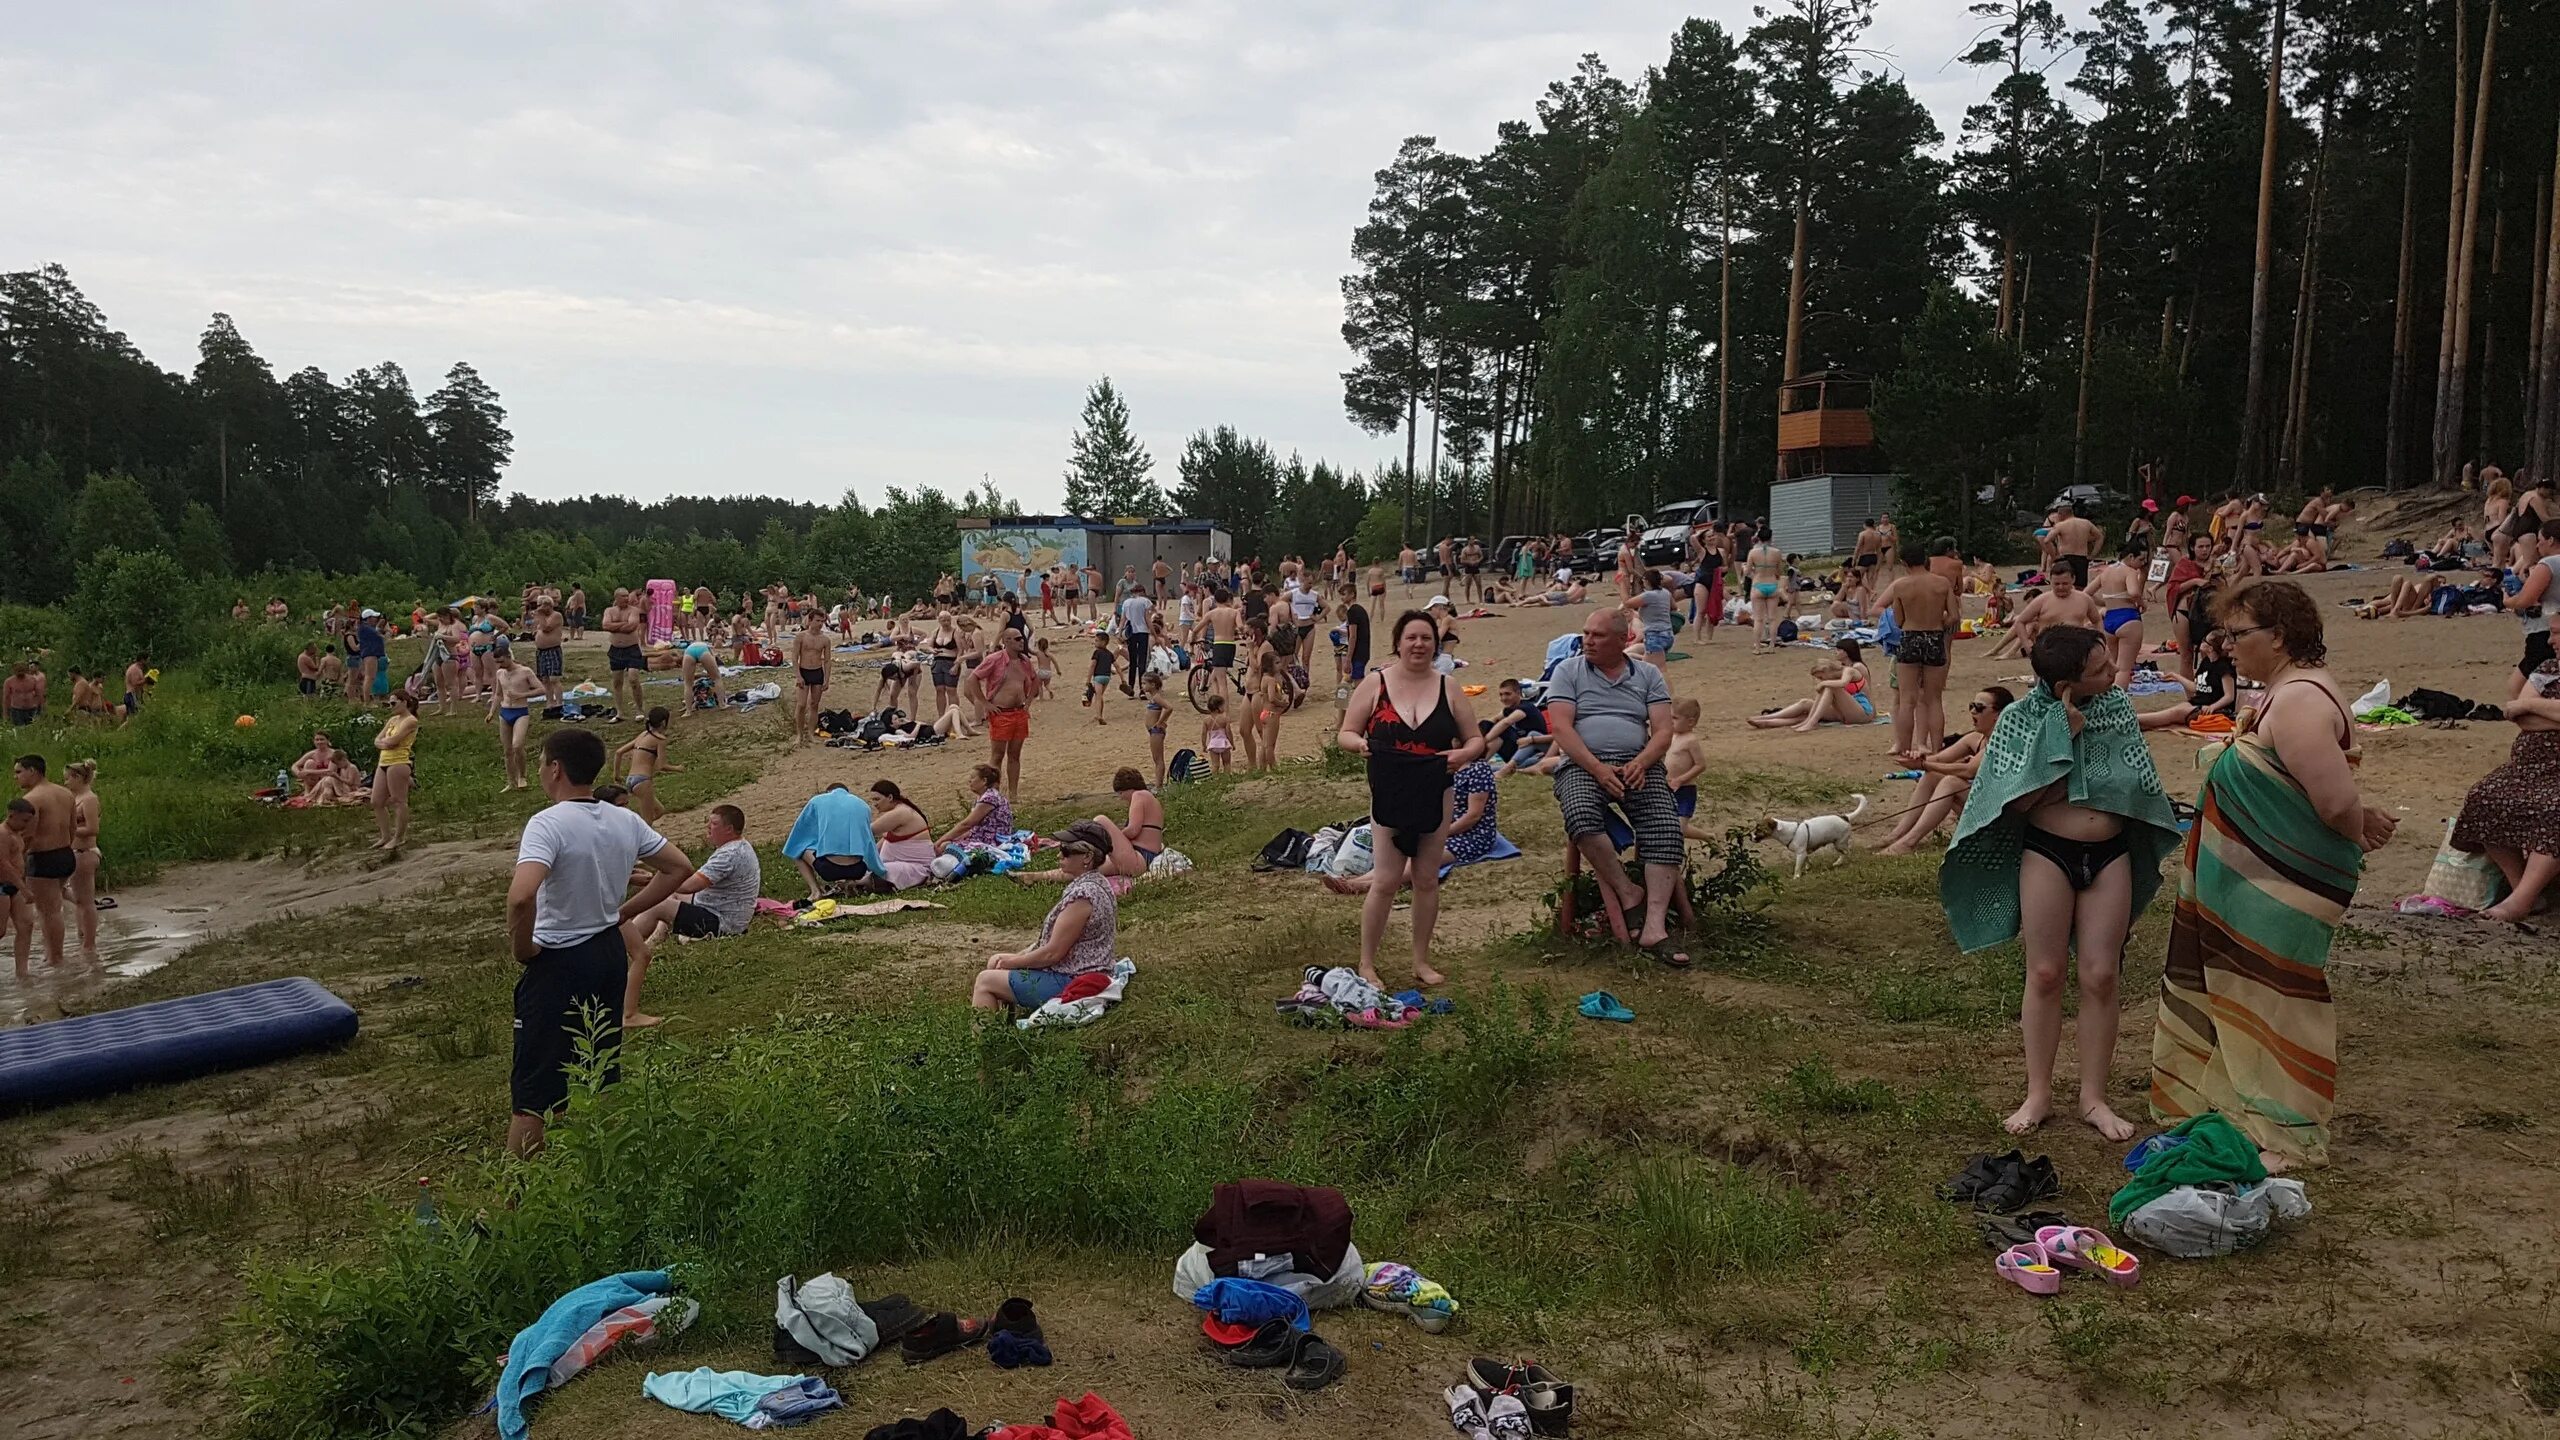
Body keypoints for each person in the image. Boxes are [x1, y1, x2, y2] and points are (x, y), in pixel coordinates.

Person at [2153, 579, 2394, 1171]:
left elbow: (2335, 802)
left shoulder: (2300, 701)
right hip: (2257, 875)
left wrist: (2361, 825)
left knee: (2278, 993)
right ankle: (2246, 1111)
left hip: (2283, 880)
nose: (2227, 646)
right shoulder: (2284, 693)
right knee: (2248, 990)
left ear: (2279, 636)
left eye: (2238, 635)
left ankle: (2285, 1129)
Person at [1941, 626, 2180, 1142]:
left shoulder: (2115, 709)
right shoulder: (2018, 720)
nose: (2111, 670)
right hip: (2047, 853)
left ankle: (2094, 1097)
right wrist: (2063, 740)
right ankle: (2039, 1093)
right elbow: (2015, 802)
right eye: (2098, 666)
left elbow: (2133, 785)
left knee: (2101, 975)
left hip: (2110, 854)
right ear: (2065, 682)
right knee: (2045, 973)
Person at [505, 728, 694, 1155]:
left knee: (535, 1086)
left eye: (540, 762)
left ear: (555, 769)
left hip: (559, 960)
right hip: (606, 954)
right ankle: (602, 1170)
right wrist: (623, 911)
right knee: (599, 1066)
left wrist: (522, 948)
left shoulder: (547, 823)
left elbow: (521, 896)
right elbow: (678, 868)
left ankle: (514, 1200)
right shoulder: (623, 818)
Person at [1336, 611, 1483, 988]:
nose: (1419, 645)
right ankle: (1367, 963)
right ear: (1398, 643)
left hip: (1436, 789)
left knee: (1426, 878)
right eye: (1412, 638)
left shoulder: (1448, 687)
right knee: (1385, 879)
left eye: (1426, 638)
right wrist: (1362, 746)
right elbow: (1346, 733)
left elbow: (1475, 739)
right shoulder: (1375, 684)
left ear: (1436, 644)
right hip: (1389, 791)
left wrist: (1463, 755)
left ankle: (1421, 960)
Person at [1544, 609, 1687, 965]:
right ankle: (1629, 893)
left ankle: (1654, 927)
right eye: (1586, 632)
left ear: (1623, 641)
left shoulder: (1648, 674)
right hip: (1583, 762)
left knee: (1665, 826)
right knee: (1580, 815)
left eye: (1598, 635)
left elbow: (1664, 731)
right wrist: (1595, 767)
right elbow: (1561, 729)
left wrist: (1641, 762)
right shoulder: (1568, 670)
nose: (1587, 640)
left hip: (1638, 761)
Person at [621, 803, 762, 1026]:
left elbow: (687, 886)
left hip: (722, 922)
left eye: (714, 824)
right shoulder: (739, 847)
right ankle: (653, 935)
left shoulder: (729, 855)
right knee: (667, 899)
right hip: (721, 908)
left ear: (730, 829)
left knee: (658, 904)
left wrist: (652, 880)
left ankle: (623, 945)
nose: (708, 828)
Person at [2452, 662, 2560, 923]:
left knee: (2555, 809)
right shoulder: (2548, 669)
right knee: (2486, 797)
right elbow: (2519, 717)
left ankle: (2521, 900)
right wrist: (2536, 711)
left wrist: (2531, 706)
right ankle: (2522, 888)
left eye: (2556, 633)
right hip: (2529, 769)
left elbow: (2523, 708)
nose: (2549, 640)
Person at [970, 834, 1119, 1010]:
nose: (1059, 855)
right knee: (996, 961)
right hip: (1079, 968)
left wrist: (1014, 962)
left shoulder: (1083, 897)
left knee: (985, 981)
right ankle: (1004, 1025)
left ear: (1087, 857)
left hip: (1072, 979)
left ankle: (988, 1036)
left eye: (1066, 851)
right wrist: (1017, 958)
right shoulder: (1096, 882)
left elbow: (1052, 954)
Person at [1876, 687, 2015, 855]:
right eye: (1971, 705)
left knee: (1950, 782)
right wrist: (1915, 759)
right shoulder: (1975, 738)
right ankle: (1898, 834)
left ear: (1998, 715)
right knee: (1933, 776)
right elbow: (1938, 760)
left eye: (1979, 708)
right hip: (1983, 806)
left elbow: (1968, 771)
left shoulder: (2004, 740)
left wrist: (1924, 765)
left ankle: (1909, 841)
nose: (1972, 711)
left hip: (2001, 815)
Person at [1877, 543, 1958, 761]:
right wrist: (1938, 622)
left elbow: (1899, 619)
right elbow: (1953, 616)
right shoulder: (1942, 583)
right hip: (1934, 636)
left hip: (1910, 637)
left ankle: (1904, 749)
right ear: (1925, 559)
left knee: (1907, 699)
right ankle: (1936, 750)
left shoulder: (1901, 586)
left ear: (1904, 562)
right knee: (1934, 699)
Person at [1747, 639, 1873, 732]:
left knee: (1830, 687)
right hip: (1847, 709)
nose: (1836, 652)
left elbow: (1843, 684)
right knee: (1805, 704)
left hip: (1863, 711)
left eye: (1838, 650)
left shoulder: (1853, 669)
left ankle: (1811, 722)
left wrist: (1824, 683)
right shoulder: (1841, 670)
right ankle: (1768, 720)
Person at [970, 627, 1038, 796]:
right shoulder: (995, 659)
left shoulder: (1024, 661)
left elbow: (1035, 679)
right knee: (997, 755)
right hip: (1001, 713)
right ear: (1006, 641)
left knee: (1015, 755)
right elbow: (973, 678)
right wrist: (985, 703)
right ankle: (994, 794)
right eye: (1017, 638)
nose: (1021, 641)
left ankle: (1013, 794)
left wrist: (1028, 701)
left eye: (1021, 638)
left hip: (1018, 712)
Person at [2502, 521, 2560, 699]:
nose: (2537, 545)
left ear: (2550, 540)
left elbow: (2525, 600)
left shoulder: (2549, 563)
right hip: (2551, 626)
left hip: (2545, 629)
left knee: (2517, 689)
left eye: (2540, 539)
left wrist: (2507, 600)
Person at [2091, 539, 2153, 691]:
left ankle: (2107, 695)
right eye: (2141, 559)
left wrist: (2107, 602)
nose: (2142, 564)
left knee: (2112, 665)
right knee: (2124, 668)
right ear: (2131, 557)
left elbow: (2087, 593)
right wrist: (2142, 603)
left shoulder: (2106, 571)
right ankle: (2119, 699)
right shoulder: (2130, 572)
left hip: (2110, 619)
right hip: (2128, 618)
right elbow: (2133, 592)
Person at [861, 780, 939, 890]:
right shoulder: (898, 811)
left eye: (877, 799)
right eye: (873, 800)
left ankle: (857, 884)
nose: (875, 804)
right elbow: (881, 844)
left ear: (890, 797)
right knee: (869, 868)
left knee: (882, 871)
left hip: (917, 869)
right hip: (901, 865)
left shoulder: (901, 812)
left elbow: (868, 830)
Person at [489, 644, 545, 791]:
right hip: (505, 711)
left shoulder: (524, 671)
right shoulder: (500, 673)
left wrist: (522, 695)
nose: (500, 665)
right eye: (497, 662)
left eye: (502, 661)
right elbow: (498, 694)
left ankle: (522, 776)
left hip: (520, 711)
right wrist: (491, 712)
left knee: (517, 745)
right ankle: (511, 781)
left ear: (509, 657)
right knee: (507, 750)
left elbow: (541, 689)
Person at [63, 760, 102, 963]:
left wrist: (69, 830)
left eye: (68, 779)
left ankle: (89, 943)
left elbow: (93, 829)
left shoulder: (89, 799)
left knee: (85, 901)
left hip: (85, 851)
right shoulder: (75, 798)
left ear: (78, 778)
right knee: (75, 897)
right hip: (73, 852)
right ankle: (82, 936)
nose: (66, 783)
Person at [612, 707, 678, 823]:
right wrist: (678, 768)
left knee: (659, 811)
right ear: (663, 722)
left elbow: (619, 752)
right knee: (648, 821)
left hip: (631, 779)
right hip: (643, 781)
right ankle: (639, 836)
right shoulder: (660, 739)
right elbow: (661, 766)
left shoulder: (643, 735)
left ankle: (637, 829)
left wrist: (616, 775)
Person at [372, 691, 419, 851]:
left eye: (393, 703)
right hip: (384, 761)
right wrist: (385, 743)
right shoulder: (393, 720)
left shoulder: (410, 721)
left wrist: (386, 742)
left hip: (399, 762)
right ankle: (385, 835)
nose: (390, 707)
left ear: (404, 702)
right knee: (376, 801)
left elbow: (394, 740)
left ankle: (399, 837)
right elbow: (377, 740)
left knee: (399, 800)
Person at [939, 764, 1016, 848]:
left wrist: (940, 841)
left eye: (973, 777)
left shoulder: (989, 798)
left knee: (944, 846)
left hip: (993, 842)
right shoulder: (985, 796)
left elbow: (967, 824)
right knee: (951, 841)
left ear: (984, 781)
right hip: (986, 837)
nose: (970, 781)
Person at [602, 589, 648, 722]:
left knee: (633, 679)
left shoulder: (634, 610)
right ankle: (620, 712)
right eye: (623, 596)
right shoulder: (609, 611)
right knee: (617, 682)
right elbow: (605, 625)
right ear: (616, 597)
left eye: (627, 596)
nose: (626, 598)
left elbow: (632, 626)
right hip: (615, 649)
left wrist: (614, 626)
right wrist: (623, 625)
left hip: (632, 649)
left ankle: (639, 710)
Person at [1, 797, 31, 977]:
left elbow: (18, 858)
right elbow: (3, 864)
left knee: (26, 925)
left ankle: (22, 971)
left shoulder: (17, 834)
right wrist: (24, 888)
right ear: (12, 815)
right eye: (24, 821)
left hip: (16, 887)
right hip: (3, 886)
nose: (26, 825)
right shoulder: (2, 834)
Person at [1626, 569, 1676, 666]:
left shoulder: (1648, 596)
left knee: (1656, 668)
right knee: (1651, 665)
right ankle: (1630, 657)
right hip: (1668, 634)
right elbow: (1674, 607)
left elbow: (1627, 603)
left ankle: (1630, 657)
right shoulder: (1665, 593)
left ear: (1647, 581)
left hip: (1655, 635)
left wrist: (1623, 585)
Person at [1745, 533, 1786, 648]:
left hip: (1758, 585)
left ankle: (1757, 646)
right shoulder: (1777, 552)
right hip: (1772, 584)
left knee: (1758, 619)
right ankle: (1772, 645)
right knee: (1772, 618)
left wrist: (1754, 571)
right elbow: (1779, 572)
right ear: (1771, 538)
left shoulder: (1753, 552)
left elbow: (1747, 571)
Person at [2047, 502, 2101, 587]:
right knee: (2081, 587)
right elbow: (2099, 537)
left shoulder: (2060, 525)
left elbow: (2047, 540)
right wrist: (2094, 554)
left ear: (2061, 514)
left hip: (2066, 557)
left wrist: (2053, 555)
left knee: (2065, 585)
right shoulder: (2086, 523)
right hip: (2082, 558)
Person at [1140, 672, 1171, 785]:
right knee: (1156, 759)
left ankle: (1159, 785)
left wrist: (1160, 722)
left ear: (1153, 684)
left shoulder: (1157, 697)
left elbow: (1169, 708)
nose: (1142, 686)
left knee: (1158, 760)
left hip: (1156, 731)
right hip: (1153, 731)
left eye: (1144, 683)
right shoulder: (1153, 697)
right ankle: (1158, 783)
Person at [1202, 696, 1235, 773]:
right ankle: (1227, 777)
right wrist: (1232, 743)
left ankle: (1214, 779)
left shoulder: (1206, 720)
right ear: (1218, 708)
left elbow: (1203, 734)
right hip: (1224, 743)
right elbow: (1228, 732)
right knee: (1227, 763)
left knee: (1215, 764)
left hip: (1213, 744)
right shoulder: (1225, 719)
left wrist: (1204, 745)